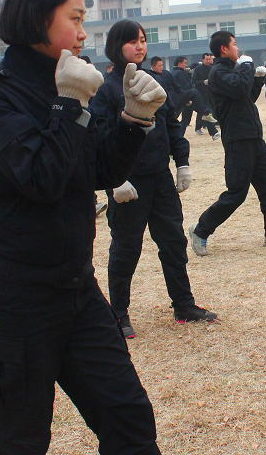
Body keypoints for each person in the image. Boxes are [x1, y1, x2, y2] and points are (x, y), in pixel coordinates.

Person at [0, 0, 166, 454]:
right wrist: (71, 103)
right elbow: (41, 179)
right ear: (36, 19)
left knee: (129, 419)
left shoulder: (69, 83)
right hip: (16, 303)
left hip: (78, 291)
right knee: (19, 439)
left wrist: (135, 122)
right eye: (74, 17)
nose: (82, 30)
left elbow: (98, 171)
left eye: (84, 18)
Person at [90, 20, 217, 339]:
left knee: (173, 242)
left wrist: (182, 162)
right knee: (126, 248)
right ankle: (118, 313)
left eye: (143, 40)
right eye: (132, 41)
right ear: (116, 47)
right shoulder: (106, 90)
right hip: (127, 183)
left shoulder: (152, 81)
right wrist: (113, 182)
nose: (140, 46)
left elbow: (171, 125)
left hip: (160, 178)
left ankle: (184, 305)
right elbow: (99, 137)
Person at [188, 31, 266, 255]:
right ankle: (201, 230)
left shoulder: (230, 71)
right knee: (237, 192)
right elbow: (239, 87)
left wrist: (256, 80)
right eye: (234, 44)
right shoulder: (218, 72)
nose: (237, 49)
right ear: (223, 49)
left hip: (254, 138)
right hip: (237, 141)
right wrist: (247, 67)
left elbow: (246, 95)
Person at [170, 56, 217, 138]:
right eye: (185, 63)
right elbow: (186, 86)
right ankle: (212, 130)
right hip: (188, 97)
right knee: (204, 111)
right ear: (180, 64)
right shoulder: (179, 73)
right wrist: (188, 97)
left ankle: (178, 137)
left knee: (185, 120)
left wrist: (187, 74)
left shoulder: (178, 72)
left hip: (188, 98)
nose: (186, 65)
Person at [190, 53, 220, 138]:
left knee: (210, 110)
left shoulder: (212, 69)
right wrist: (203, 82)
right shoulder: (198, 69)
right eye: (206, 59)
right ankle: (198, 127)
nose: (208, 61)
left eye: (209, 59)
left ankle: (210, 127)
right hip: (200, 93)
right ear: (203, 60)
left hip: (210, 93)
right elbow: (194, 81)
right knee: (202, 111)